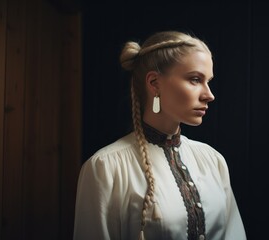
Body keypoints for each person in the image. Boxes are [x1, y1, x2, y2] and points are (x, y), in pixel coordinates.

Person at [73, 30, 246, 240]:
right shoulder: (106, 167)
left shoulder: (212, 160)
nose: (209, 95)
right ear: (154, 83)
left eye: (208, 81)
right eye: (194, 79)